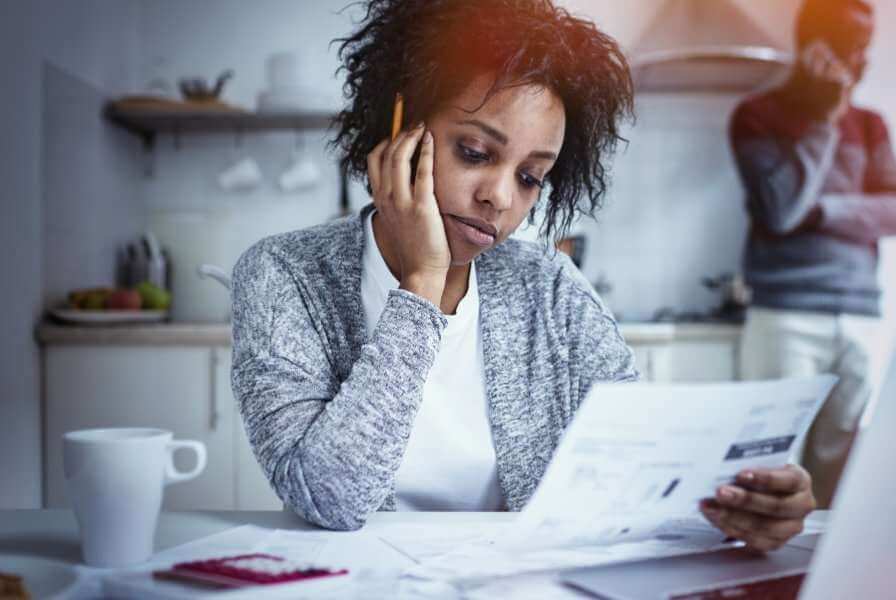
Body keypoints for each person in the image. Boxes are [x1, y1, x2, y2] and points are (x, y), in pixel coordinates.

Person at [231, 0, 816, 552]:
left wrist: (745, 506)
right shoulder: (284, 275)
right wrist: (423, 284)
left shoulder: (551, 287)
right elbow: (328, 498)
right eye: (476, 152)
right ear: (398, 124)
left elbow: (636, 469)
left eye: (531, 177)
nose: (500, 197)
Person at [730, 0, 896, 508]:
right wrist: (823, 121)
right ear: (814, 47)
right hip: (785, 315)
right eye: (851, 46)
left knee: (842, 474)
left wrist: (824, 211)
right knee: (770, 467)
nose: (861, 60)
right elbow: (784, 210)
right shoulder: (756, 116)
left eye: (866, 47)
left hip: (860, 316)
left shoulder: (873, 125)